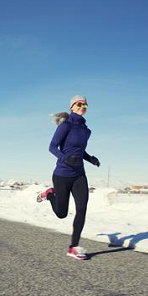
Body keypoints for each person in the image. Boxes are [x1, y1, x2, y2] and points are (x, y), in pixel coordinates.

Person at [37, 95, 100, 260]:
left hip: (79, 175)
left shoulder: (87, 131)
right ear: (72, 106)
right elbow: (52, 147)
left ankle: (73, 246)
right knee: (61, 213)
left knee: (82, 208)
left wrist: (90, 158)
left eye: (85, 104)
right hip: (62, 175)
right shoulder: (66, 125)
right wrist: (65, 159)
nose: (83, 106)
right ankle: (50, 194)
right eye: (79, 104)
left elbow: (79, 151)